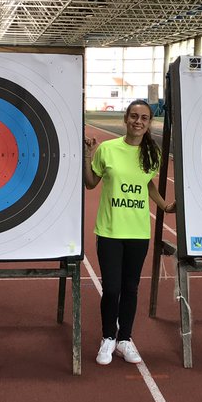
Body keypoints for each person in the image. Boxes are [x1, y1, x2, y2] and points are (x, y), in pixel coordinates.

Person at [84, 100, 175, 365]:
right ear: (126, 119)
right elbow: (91, 184)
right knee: (112, 288)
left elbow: (148, 185)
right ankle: (107, 338)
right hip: (110, 231)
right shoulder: (108, 150)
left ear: (149, 123)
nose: (138, 121)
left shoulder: (152, 154)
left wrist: (164, 205)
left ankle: (125, 339)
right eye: (134, 116)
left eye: (144, 118)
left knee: (131, 287)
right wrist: (88, 156)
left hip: (138, 232)